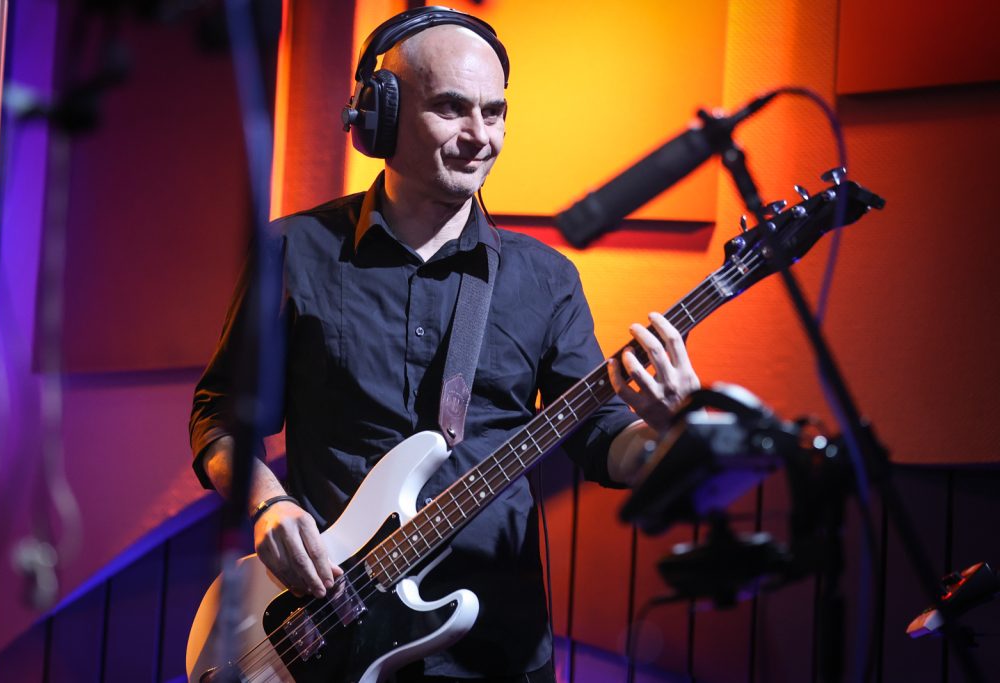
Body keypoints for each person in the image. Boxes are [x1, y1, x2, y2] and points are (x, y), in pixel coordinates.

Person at [190, 7, 699, 682]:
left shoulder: (546, 279)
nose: (479, 136)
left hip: (494, 649)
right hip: (322, 636)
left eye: (495, 112)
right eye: (452, 108)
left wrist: (669, 432)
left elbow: (603, 436)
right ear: (379, 117)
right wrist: (267, 504)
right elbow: (221, 416)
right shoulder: (295, 252)